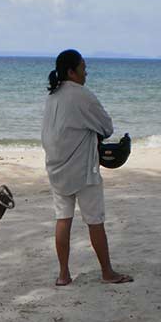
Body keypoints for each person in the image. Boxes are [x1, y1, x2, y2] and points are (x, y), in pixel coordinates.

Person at [41, 49, 132, 286]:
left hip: (56, 167)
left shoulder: (53, 96)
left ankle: (63, 274)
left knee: (63, 219)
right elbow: (107, 127)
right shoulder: (82, 95)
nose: (86, 71)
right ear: (72, 71)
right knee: (95, 221)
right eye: (83, 67)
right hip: (82, 169)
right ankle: (107, 272)